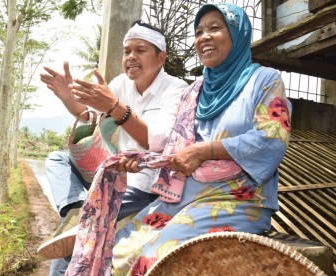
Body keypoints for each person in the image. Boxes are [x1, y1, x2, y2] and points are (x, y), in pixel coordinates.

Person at [64, 3, 292, 275]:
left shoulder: (264, 81)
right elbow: (174, 148)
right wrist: (141, 160)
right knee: (118, 250)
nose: (204, 37)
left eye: (215, 28)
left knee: (153, 258)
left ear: (237, 33)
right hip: (182, 198)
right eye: (198, 32)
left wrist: (205, 150)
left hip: (236, 200)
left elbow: (272, 139)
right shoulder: (195, 91)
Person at [38, 20, 188, 274]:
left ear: (161, 57)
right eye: (127, 51)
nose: (131, 57)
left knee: (72, 244)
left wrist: (116, 108)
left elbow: (158, 140)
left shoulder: (177, 89)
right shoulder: (121, 83)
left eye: (140, 50)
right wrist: (66, 97)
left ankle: (82, 216)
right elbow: (90, 117)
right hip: (113, 172)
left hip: (144, 184)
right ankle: (75, 207)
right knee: (57, 159)